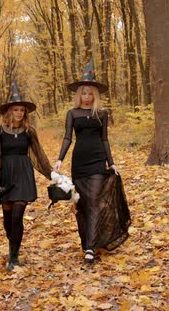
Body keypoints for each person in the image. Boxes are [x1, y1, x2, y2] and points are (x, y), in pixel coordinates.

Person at [54, 59, 130, 263]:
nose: (87, 97)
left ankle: (90, 248)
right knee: (82, 205)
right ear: (79, 95)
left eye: (90, 93)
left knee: (95, 201)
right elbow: (68, 137)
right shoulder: (72, 114)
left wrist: (111, 163)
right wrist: (60, 159)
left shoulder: (102, 114)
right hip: (79, 162)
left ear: (94, 95)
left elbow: (105, 139)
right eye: (84, 93)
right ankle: (86, 239)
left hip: (97, 162)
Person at [0, 80, 53, 271]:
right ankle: (12, 242)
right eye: (16, 110)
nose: (19, 113)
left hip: (23, 174)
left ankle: (13, 256)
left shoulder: (29, 132)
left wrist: (52, 175)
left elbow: (39, 155)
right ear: (9, 112)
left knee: (18, 215)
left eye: (22, 110)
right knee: (7, 217)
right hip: (6, 174)